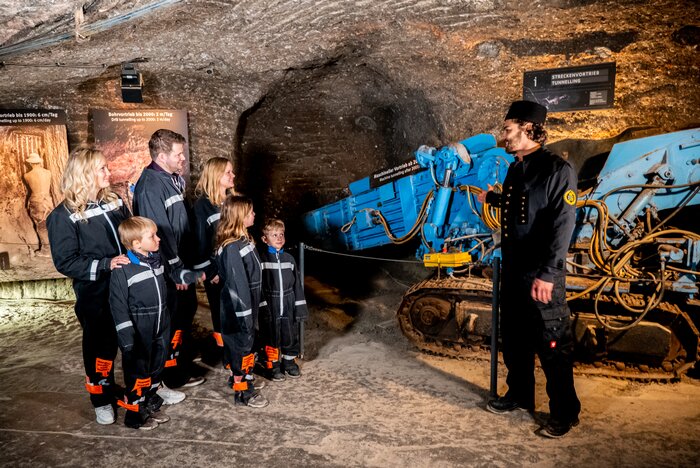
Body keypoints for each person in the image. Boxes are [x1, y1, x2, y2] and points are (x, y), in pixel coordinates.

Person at [478, 100, 581, 438]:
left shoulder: (556, 170)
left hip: (540, 275)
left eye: (507, 129)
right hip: (513, 271)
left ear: (527, 129)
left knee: (552, 345)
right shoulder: (515, 168)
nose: (503, 136)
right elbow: (520, 203)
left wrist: (549, 274)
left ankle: (564, 413)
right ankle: (520, 394)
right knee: (516, 340)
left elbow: (561, 224)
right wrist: (491, 199)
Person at [46, 147, 131, 425]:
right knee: (101, 347)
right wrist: (107, 264)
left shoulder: (115, 201)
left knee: (135, 341)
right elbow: (66, 262)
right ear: (83, 174)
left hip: (127, 287)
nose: (109, 173)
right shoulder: (62, 216)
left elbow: (131, 236)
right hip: (96, 293)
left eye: (106, 167)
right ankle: (101, 399)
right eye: (102, 169)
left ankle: (145, 388)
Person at [109, 216, 203, 430]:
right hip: (139, 329)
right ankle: (134, 415)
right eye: (152, 236)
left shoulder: (156, 260)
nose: (159, 239)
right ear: (136, 244)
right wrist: (127, 340)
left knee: (156, 367)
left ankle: (149, 402)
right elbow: (118, 307)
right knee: (138, 372)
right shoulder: (123, 270)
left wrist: (194, 275)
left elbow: (170, 283)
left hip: (161, 325)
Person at [132, 129, 205, 397]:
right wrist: (176, 271)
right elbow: (158, 232)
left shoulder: (171, 179)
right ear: (162, 156)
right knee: (174, 322)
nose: (183, 158)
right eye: (178, 153)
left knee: (185, 316)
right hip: (171, 270)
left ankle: (182, 363)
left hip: (182, 263)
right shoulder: (151, 186)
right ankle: (173, 375)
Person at [215, 195, 268, 408]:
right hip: (238, 308)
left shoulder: (243, 240)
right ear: (239, 217)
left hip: (247, 305)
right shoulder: (232, 248)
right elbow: (238, 286)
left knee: (245, 347)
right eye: (250, 212)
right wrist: (245, 316)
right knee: (242, 349)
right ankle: (243, 393)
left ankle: (240, 378)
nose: (254, 214)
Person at [193, 157, 236, 363]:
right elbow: (200, 243)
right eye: (228, 172)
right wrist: (210, 272)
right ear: (216, 175)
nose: (233, 176)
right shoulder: (202, 206)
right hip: (218, 272)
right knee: (222, 314)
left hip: (236, 267)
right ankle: (228, 357)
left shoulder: (233, 201)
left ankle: (240, 353)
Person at [256, 219, 308, 380]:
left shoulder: (289, 259)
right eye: (274, 235)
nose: (279, 238)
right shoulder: (261, 260)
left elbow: (297, 286)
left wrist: (299, 307)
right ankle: (273, 364)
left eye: (281, 234)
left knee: (290, 333)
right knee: (270, 335)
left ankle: (289, 362)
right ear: (265, 239)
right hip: (270, 303)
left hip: (288, 302)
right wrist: (262, 306)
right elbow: (258, 286)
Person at [23, 152, 53, 255]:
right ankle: (53, 248)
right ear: (39, 162)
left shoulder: (27, 175)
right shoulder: (48, 172)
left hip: (37, 202)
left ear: (30, 164)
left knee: (41, 227)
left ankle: (46, 251)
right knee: (49, 225)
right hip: (48, 201)